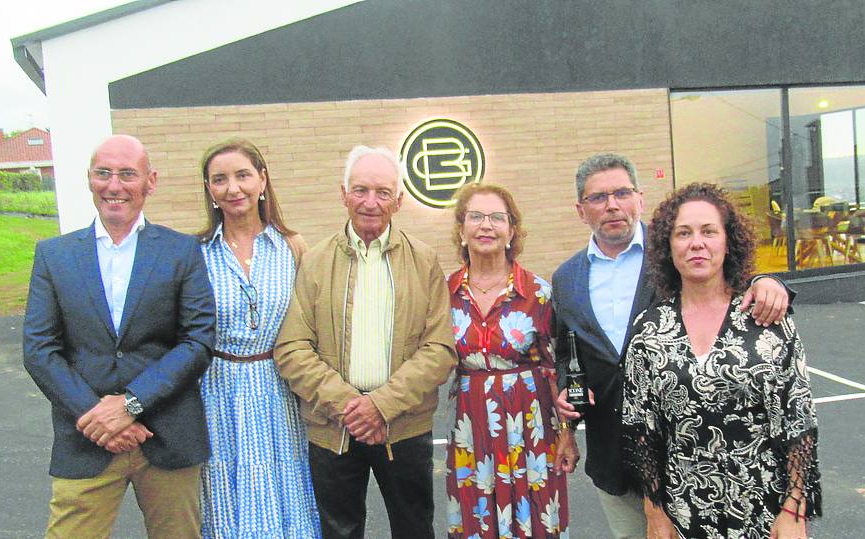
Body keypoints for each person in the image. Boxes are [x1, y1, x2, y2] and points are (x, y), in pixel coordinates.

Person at [551, 153, 792, 539]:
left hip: (689, 457)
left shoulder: (675, 254)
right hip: (614, 455)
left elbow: (723, 274)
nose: (612, 205)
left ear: (640, 199)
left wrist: (768, 281)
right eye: (598, 198)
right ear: (581, 210)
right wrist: (567, 390)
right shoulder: (566, 278)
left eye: (621, 193)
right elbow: (567, 350)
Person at [23, 134, 216, 538]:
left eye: (128, 174)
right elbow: (40, 350)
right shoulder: (54, 255)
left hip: (167, 434)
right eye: (104, 173)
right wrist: (97, 415)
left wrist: (130, 404)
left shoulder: (181, 251)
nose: (115, 186)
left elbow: (197, 341)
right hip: (86, 436)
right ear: (89, 179)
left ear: (151, 180)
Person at [274, 145, 456, 539]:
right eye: (360, 190)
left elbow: (440, 348)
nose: (370, 202)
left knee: (414, 530)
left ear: (400, 200)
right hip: (333, 427)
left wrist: (381, 405)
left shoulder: (424, 261)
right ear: (343, 194)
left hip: (404, 427)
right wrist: (351, 408)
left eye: (383, 192)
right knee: (339, 532)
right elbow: (292, 348)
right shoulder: (315, 262)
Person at [620, 183, 822, 538]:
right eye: (684, 233)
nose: (697, 243)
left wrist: (794, 511)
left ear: (729, 242)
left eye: (709, 231)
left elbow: (799, 421)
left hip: (765, 509)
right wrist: (654, 513)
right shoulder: (649, 329)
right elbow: (642, 431)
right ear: (668, 246)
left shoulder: (767, 319)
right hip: (683, 514)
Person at [195, 138, 320, 537]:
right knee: (225, 497)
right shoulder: (196, 253)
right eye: (220, 179)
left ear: (262, 180)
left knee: (287, 492)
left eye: (243, 175)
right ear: (210, 191)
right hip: (217, 391)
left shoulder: (292, 246)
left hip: (278, 387)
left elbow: (312, 325)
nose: (233, 188)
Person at [443, 183, 574, 538]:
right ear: (461, 229)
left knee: (534, 521)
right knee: (478, 521)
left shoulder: (539, 293)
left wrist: (567, 434)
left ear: (511, 231)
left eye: (497, 218)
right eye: (476, 217)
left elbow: (556, 368)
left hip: (530, 428)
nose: (486, 226)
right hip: (472, 428)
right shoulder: (443, 293)